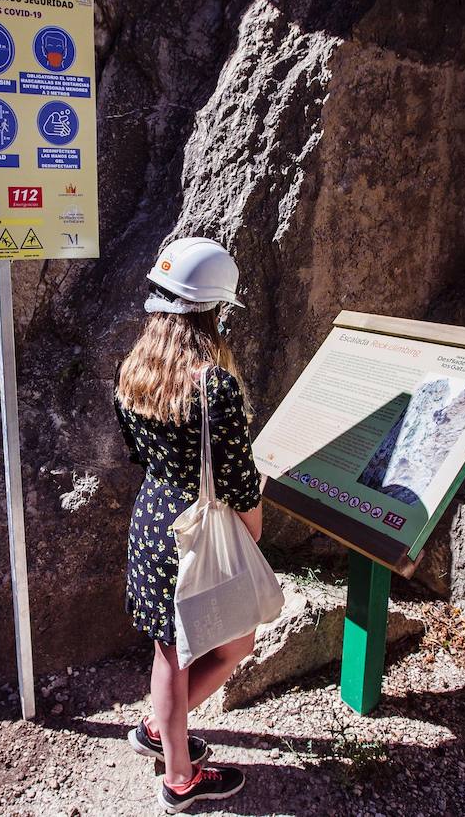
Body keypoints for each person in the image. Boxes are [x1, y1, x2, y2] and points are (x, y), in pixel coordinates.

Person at [114, 237, 263, 813]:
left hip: (154, 519)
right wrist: (253, 528)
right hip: (199, 530)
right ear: (213, 310)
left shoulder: (133, 372)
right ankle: (180, 778)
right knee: (206, 649)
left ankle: (160, 729)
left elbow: (137, 450)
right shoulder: (214, 386)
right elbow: (240, 481)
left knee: (176, 648)